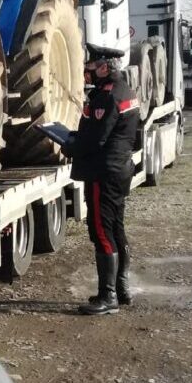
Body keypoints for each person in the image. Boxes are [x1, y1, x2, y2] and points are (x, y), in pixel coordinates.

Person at [63, 44, 141, 316]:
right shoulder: (127, 91)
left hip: (103, 174)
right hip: (119, 170)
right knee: (116, 228)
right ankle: (121, 289)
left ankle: (108, 296)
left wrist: (70, 145)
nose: (87, 72)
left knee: (102, 232)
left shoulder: (106, 97)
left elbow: (96, 138)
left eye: (91, 67)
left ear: (105, 68)